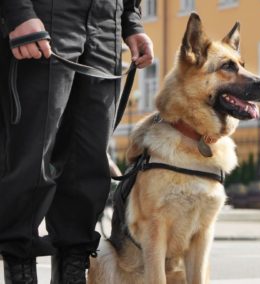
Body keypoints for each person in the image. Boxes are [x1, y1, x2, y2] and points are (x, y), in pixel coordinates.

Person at [0, 0, 153, 282]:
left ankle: (72, 268)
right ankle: (19, 266)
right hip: (44, 15)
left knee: (88, 160)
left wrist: (131, 21)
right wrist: (18, 13)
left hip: (107, 22)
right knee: (31, 157)